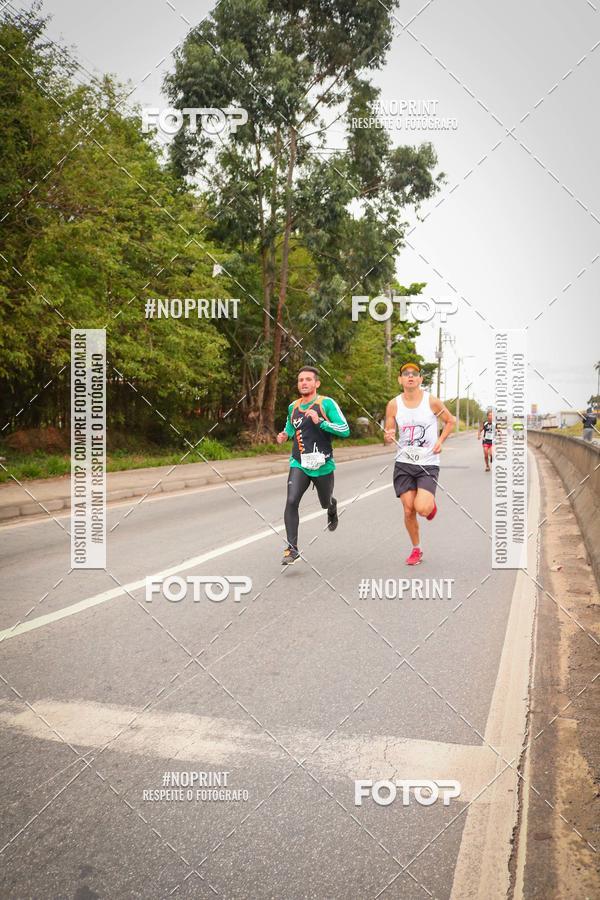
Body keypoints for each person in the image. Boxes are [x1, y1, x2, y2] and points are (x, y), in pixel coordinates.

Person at [276, 367, 350, 565]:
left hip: (322, 464)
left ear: (317, 383)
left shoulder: (326, 403)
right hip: (299, 462)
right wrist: (284, 435)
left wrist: (321, 422)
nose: (304, 383)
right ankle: (292, 549)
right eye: (301, 380)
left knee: (325, 502)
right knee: (291, 500)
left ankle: (332, 506)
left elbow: (345, 429)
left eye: (308, 379)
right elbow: (291, 427)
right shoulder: (293, 407)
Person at [384, 363, 455, 566]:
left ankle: (429, 506)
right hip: (404, 463)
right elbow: (389, 433)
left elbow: (450, 421)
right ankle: (416, 549)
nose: (410, 376)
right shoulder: (393, 404)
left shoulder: (431, 401)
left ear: (420, 379)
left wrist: (440, 442)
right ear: (400, 380)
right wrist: (388, 435)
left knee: (422, 509)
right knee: (408, 510)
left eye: (414, 374)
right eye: (405, 374)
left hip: (427, 463)